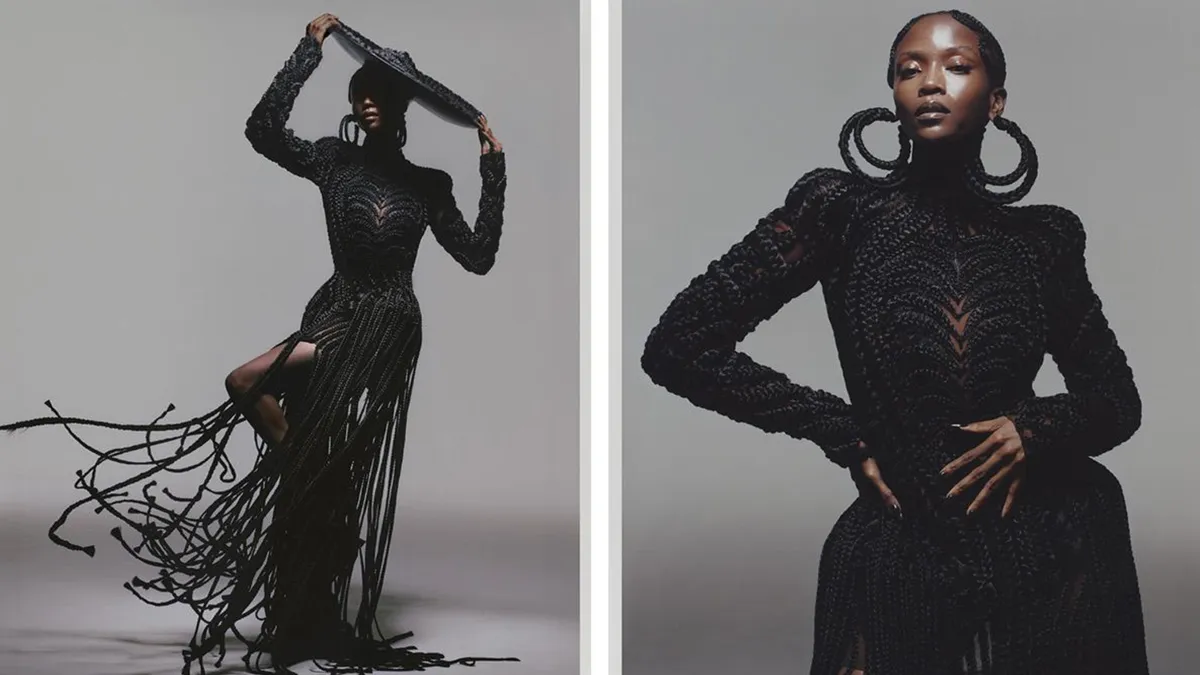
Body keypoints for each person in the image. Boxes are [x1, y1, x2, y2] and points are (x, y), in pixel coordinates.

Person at [2, 13, 513, 674]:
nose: (366, 102)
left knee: (282, 413)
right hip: (335, 312)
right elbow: (262, 130)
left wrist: (493, 170)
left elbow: (477, 256)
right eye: (360, 91)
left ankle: (314, 522)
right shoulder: (333, 160)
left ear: (400, 106)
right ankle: (309, 561)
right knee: (250, 385)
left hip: (386, 328)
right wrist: (311, 50)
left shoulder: (428, 185)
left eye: (380, 94)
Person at [641, 10, 1147, 675]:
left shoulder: (1043, 240)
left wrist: (1034, 428)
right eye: (910, 70)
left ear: (996, 100)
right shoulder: (838, 212)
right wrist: (844, 431)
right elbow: (679, 344)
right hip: (903, 543)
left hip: (1049, 541)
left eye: (957, 67)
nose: (930, 83)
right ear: (894, 98)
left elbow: (1115, 399)